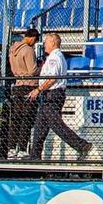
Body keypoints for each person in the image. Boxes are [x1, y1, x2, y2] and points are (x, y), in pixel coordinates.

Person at [30, 31, 92, 160]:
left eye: (46, 42)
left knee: (56, 125)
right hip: (49, 95)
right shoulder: (54, 57)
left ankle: (82, 145)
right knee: (39, 127)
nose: (45, 45)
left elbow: (52, 78)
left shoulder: (54, 57)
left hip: (53, 95)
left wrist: (39, 89)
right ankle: (34, 156)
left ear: (53, 42)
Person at [5, 27, 40, 159]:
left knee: (15, 118)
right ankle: (23, 148)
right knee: (27, 117)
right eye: (35, 41)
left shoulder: (13, 50)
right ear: (32, 38)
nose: (34, 44)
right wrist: (41, 66)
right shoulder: (28, 50)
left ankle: (11, 148)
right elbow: (32, 70)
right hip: (29, 85)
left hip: (18, 84)